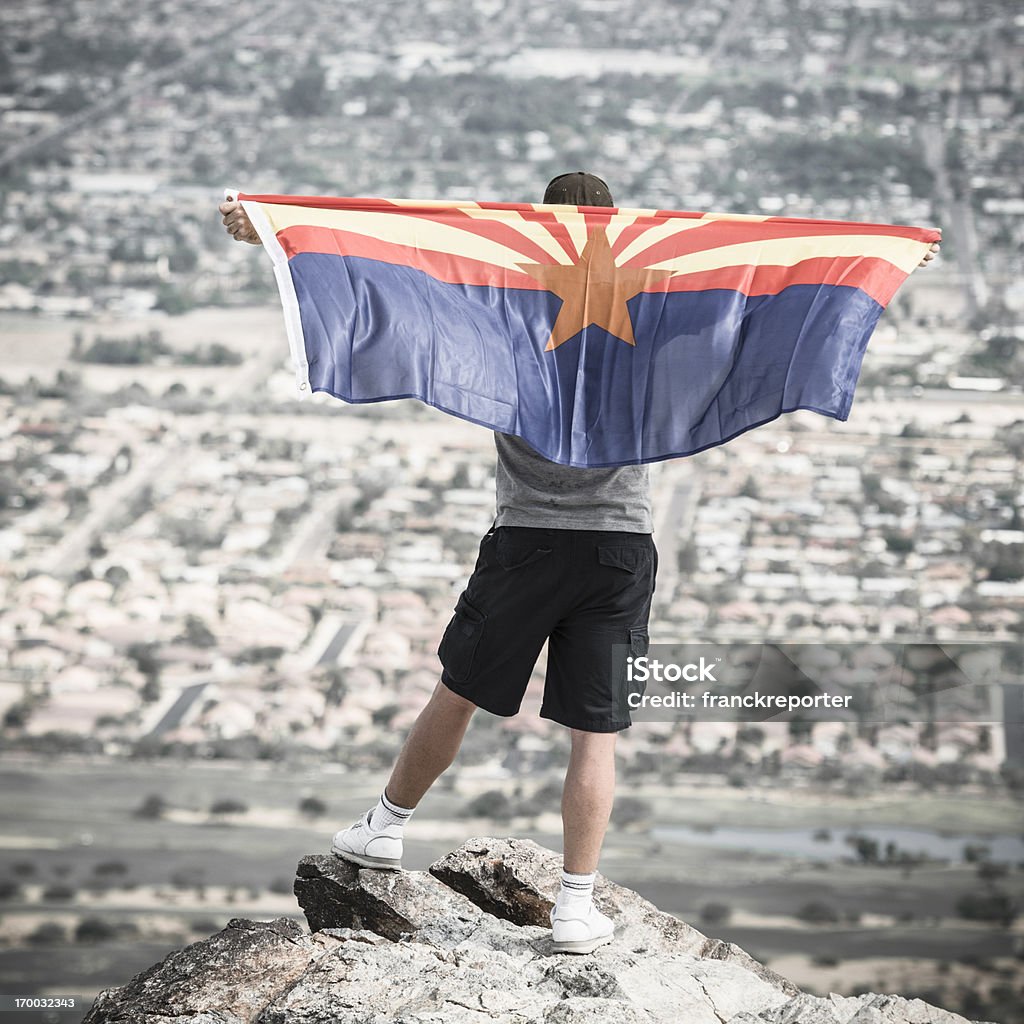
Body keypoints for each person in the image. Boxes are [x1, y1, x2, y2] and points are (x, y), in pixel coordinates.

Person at [218, 175, 940, 957]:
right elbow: (758, 284)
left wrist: (268, 229)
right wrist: (884, 258)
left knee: (457, 692)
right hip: (619, 549)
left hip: (525, 539)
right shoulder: (662, 306)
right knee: (596, 735)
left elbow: (395, 258)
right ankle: (573, 907)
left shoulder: (502, 302)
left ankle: (385, 829)